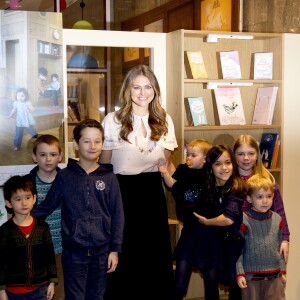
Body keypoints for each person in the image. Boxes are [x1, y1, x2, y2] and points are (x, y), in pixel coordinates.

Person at [99, 65, 178, 300]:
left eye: (147, 87)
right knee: (126, 250)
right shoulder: (113, 120)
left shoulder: (164, 118)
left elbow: (165, 160)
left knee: (154, 252)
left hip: (152, 190)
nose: (143, 92)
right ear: (128, 90)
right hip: (122, 190)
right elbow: (104, 164)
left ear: (155, 90)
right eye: (137, 87)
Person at [31, 119, 124, 300]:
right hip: (73, 253)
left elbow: (118, 214)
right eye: (86, 141)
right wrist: (20, 218)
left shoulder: (109, 177)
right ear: (75, 144)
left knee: (96, 296)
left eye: (97, 141)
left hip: (102, 253)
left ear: (103, 144)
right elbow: (47, 206)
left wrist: (115, 249)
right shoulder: (64, 177)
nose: (92, 146)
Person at [231, 134, 290, 300]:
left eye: (250, 153)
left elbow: (280, 212)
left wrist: (285, 239)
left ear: (258, 154)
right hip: (241, 246)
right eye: (240, 154)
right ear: (234, 156)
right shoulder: (231, 181)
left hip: (265, 245)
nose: (246, 158)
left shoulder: (268, 181)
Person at [159, 139, 212, 300]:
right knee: (180, 282)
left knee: (211, 281)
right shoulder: (182, 170)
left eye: (194, 155)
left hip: (208, 232)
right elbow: (172, 185)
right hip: (189, 231)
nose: (189, 157)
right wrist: (164, 172)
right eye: (188, 153)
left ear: (205, 159)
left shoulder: (209, 174)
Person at [192, 144, 245, 300]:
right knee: (210, 288)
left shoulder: (237, 186)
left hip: (234, 246)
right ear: (210, 168)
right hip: (213, 245)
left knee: (237, 291)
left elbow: (228, 219)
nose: (224, 168)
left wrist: (208, 222)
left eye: (228, 162)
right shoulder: (208, 188)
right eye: (218, 164)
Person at [0, 175, 57, 300]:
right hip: (13, 292)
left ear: (34, 199)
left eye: (27, 197)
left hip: (40, 288)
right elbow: (1, 262)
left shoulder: (43, 227)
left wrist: (52, 282)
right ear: (9, 203)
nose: (24, 203)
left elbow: (50, 256)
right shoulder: (5, 231)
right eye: (18, 199)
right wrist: (2, 290)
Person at [25, 134, 64, 300]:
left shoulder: (68, 181)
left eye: (53, 154)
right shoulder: (26, 184)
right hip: (36, 252)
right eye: (42, 154)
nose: (48, 159)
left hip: (63, 251)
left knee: (61, 294)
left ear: (60, 157)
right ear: (34, 157)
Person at [236, 174, 286, 300]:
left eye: (269, 196)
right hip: (251, 279)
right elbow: (238, 251)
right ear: (249, 198)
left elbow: (280, 249)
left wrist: (283, 271)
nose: (265, 201)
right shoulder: (243, 220)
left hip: (275, 278)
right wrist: (240, 274)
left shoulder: (277, 219)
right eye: (259, 197)